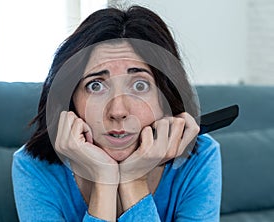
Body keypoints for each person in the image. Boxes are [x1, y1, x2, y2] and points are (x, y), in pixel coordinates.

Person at [12, 5, 221, 222]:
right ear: (70, 98)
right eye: (95, 86)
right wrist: (104, 181)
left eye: (140, 86)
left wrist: (133, 180)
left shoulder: (200, 156)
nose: (118, 111)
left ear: (166, 96)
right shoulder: (32, 167)